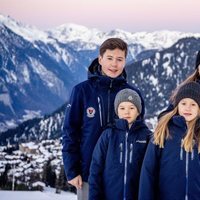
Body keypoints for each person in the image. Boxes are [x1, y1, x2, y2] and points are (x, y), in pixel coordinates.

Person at [61, 38, 145, 200]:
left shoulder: (133, 95)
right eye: (109, 58)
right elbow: (70, 131)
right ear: (100, 59)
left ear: (125, 62)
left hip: (122, 175)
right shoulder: (82, 91)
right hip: (87, 172)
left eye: (119, 59)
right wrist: (72, 170)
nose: (114, 64)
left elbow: (138, 132)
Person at [139, 81, 200, 200]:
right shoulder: (164, 132)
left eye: (193, 104)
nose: (188, 107)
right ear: (177, 106)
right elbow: (148, 172)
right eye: (183, 103)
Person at [89, 89, 151, 200]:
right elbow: (96, 168)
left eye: (132, 108)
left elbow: (152, 170)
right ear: (117, 111)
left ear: (138, 111)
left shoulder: (146, 136)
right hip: (110, 195)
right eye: (122, 108)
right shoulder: (108, 135)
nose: (126, 112)